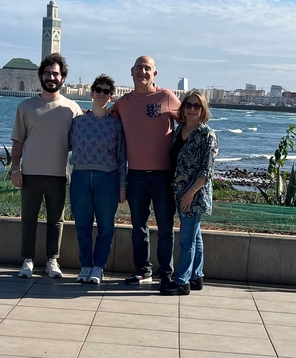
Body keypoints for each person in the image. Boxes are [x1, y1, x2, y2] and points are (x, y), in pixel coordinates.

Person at [11, 53, 82, 278]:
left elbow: (84, 137)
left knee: (56, 221)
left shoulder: (72, 108)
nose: (51, 77)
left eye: (56, 73)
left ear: (63, 77)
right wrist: (15, 169)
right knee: (28, 219)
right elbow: (17, 141)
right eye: (48, 73)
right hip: (30, 174)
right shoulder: (26, 106)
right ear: (40, 76)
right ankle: (28, 260)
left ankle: (53, 260)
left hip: (58, 175)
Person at [113, 56, 181, 289]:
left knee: (165, 228)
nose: (143, 71)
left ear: (155, 74)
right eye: (139, 68)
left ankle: (166, 274)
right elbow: (102, 118)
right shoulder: (123, 103)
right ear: (131, 72)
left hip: (163, 175)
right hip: (136, 176)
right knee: (138, 227)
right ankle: (143, 272)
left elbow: (191, 121)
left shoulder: (167, 97)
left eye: (147, 68)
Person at [69, 74, 127, 284]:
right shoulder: (77, 122)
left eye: (106, 91)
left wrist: (122, 187)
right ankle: (85, 265)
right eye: (99, 90)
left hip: (107, 179)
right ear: (91, 93)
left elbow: (122, 157)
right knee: (82, 225)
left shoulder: (115, 125)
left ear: (110, 97)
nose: (102, 94)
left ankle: (98, 267)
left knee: (106, 226)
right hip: (80, 177)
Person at [161, 90, 218, 295]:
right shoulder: (179, 131)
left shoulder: (207, 136)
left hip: (195, 195)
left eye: (197, 106)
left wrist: (190, 193)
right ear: (183, 108)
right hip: (179, 191)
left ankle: (181, 282)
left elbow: (206, 170)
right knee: (195, 236)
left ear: (203, 110)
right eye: (189, 105)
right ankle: (196, 276)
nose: (192, 109)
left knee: (186, 239)